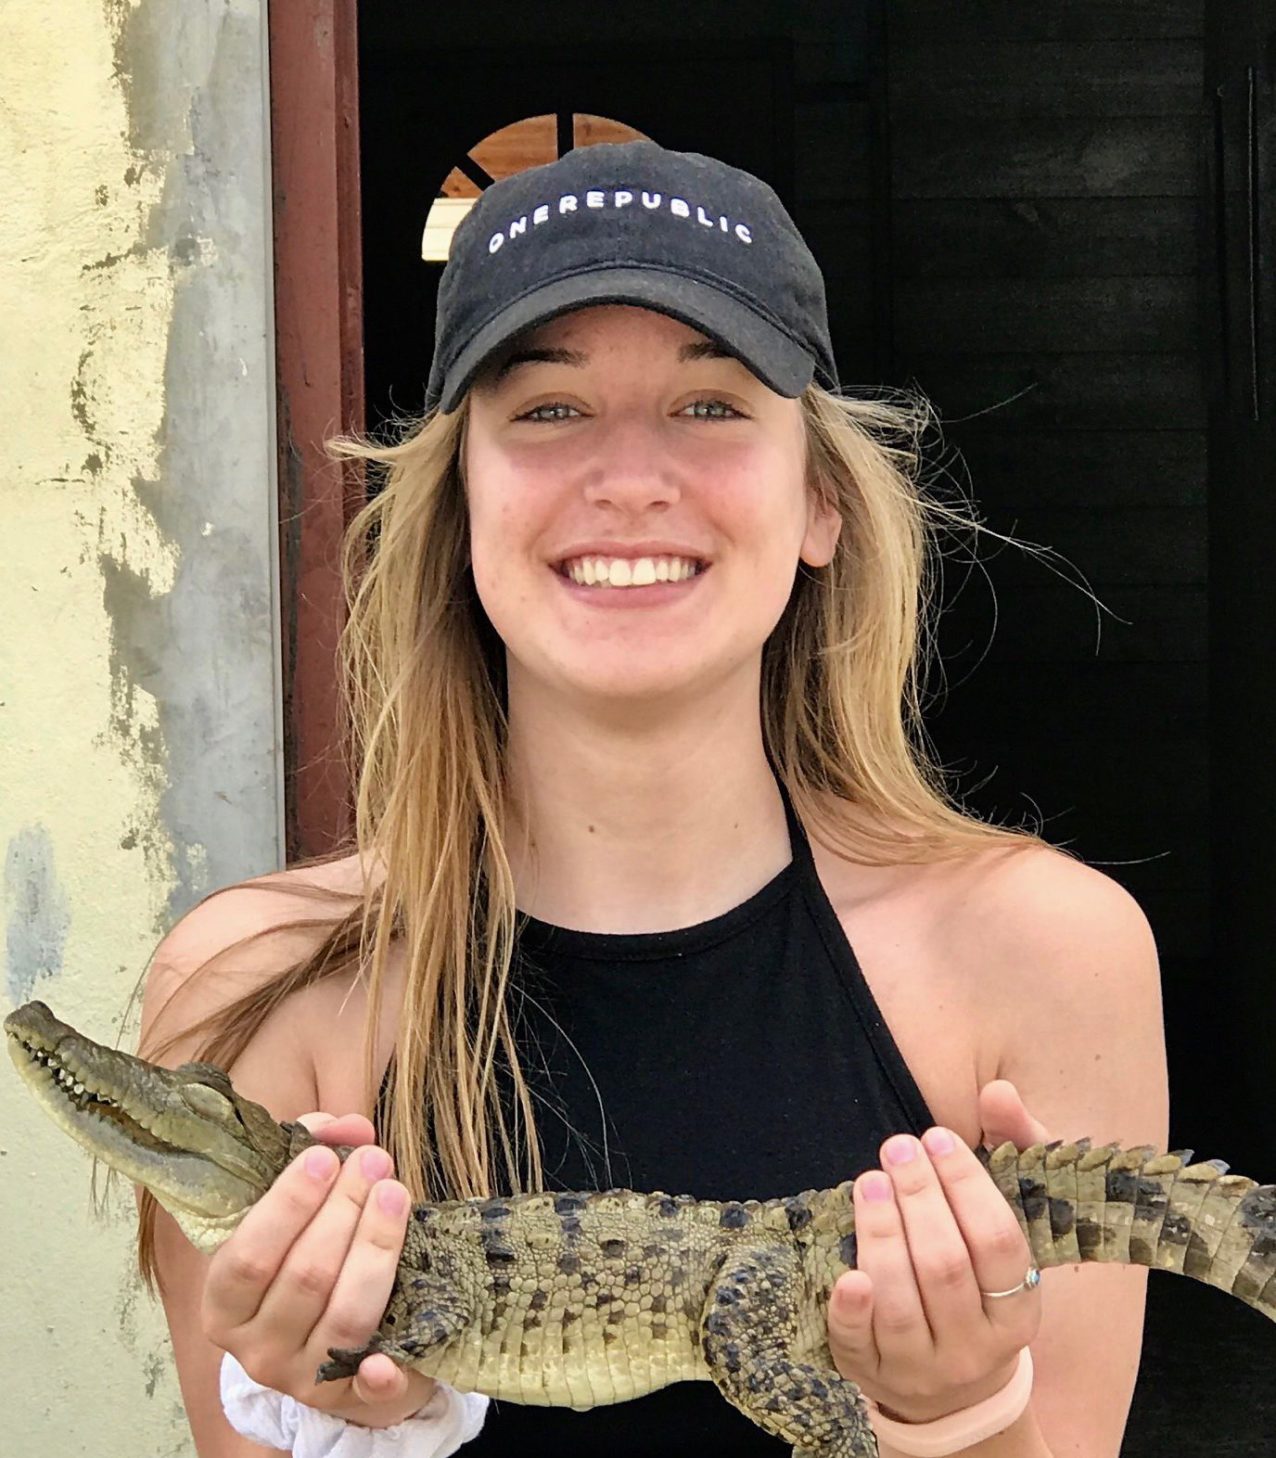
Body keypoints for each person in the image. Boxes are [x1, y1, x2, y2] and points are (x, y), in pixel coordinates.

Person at [138, 140, 1167, 1458]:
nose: (630, 478)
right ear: (459, 505)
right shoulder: (252, 988)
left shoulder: (1049, 954)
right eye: (549, 409)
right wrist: (336, 1431)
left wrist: (958, 1417)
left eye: (712, 404)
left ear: (819, 502)